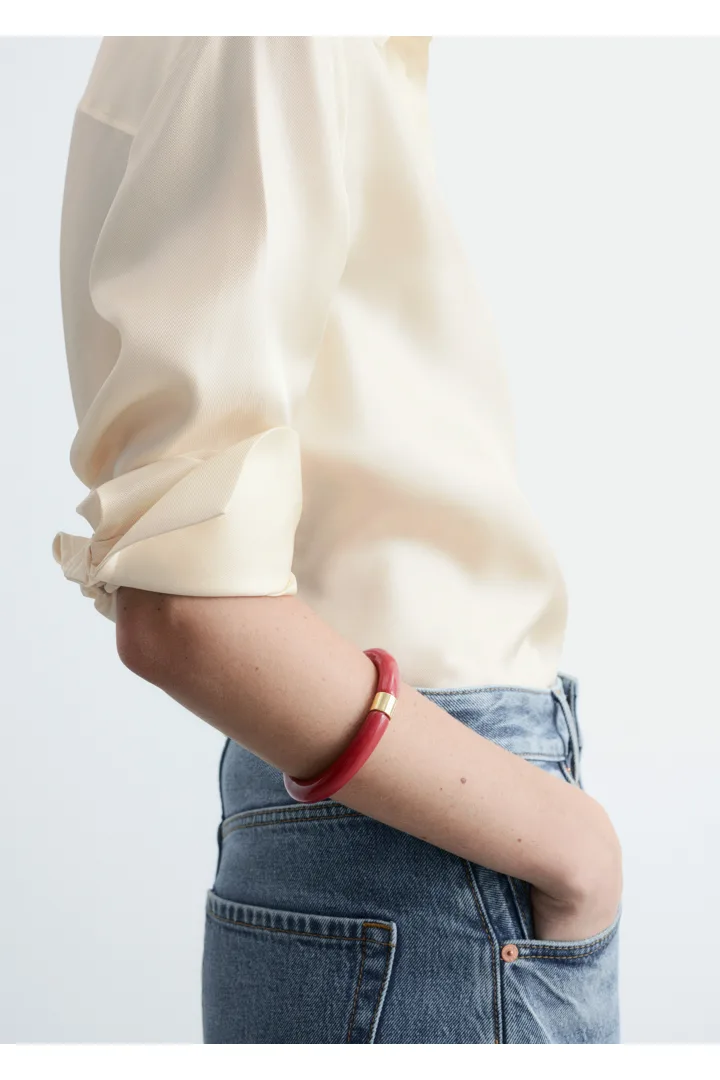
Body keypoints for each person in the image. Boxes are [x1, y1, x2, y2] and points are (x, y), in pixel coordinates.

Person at [53, 35, 623, 1044]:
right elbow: (186, 611)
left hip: (381, 815)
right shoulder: (278, 37)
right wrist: (572, 847)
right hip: (433, 845)